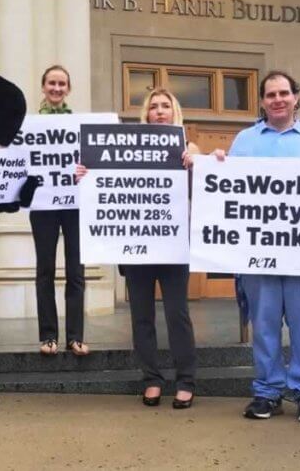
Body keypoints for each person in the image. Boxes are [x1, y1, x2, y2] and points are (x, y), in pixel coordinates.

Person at [212, 70, 300, 425]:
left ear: (296, 97)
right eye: (270, 95)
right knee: (263, 324)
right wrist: (215, 166)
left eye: (284, 93)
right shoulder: (244, 140)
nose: (277, 99)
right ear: (262, 101)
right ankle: (267, 392)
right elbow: (227, 190)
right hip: (258, 252)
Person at [76, 88, 198, 408]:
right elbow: (103, 187)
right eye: (153, 107)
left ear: (175, 112)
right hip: (136, 249)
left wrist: (195, 163)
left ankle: (185, 380)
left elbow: (203, 191)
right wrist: (84, 175)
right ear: (146, 114)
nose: (159, 111)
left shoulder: (188, 148)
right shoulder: (121, 149)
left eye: (165, 106)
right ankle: (152, 379)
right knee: (141, 316)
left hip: (173, 247)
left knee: (177, 315)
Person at [30, 65, 89, 356]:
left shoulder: (78, 125)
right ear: (43, 87)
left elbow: (94, 162)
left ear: (68, 89)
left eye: (61, 83)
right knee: (45, 271)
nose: (56, 88)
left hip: (74, 204)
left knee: (76, 272)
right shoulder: (29, 125)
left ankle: (75, 336)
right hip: (42, 205)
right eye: (52, 83)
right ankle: (48, 336)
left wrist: (86, 170)